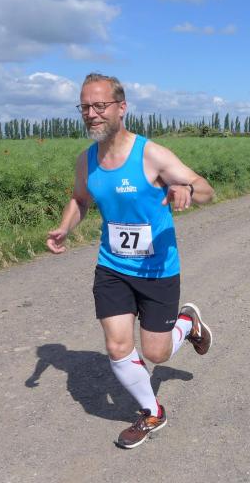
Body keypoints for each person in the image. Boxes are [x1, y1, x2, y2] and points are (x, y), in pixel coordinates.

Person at [46, 73, 216, 448]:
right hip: (113, 267)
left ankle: (188, 323)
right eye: (85, 107)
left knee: (156, 352)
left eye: (99, 105)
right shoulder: (86, 161)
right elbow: (80, 199)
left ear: (121, 108)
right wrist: (65, 228)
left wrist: (186, 188)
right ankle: (152, 412)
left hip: (157, 270)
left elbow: (207, 189)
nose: (91, 113)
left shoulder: (151, 155)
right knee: (117, 346)